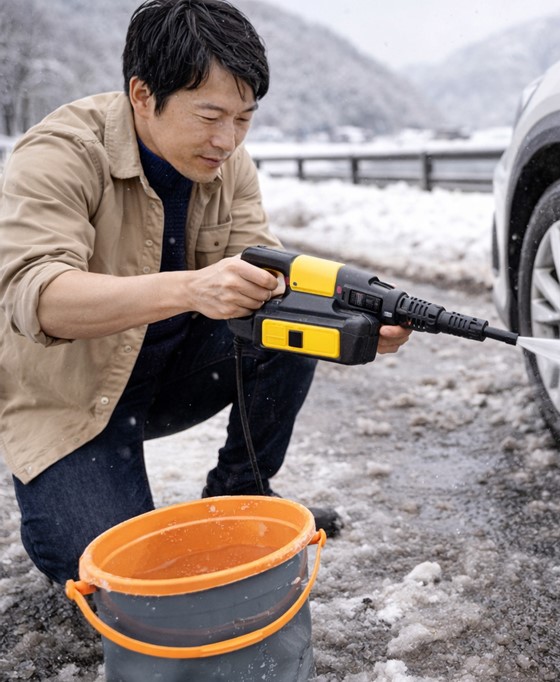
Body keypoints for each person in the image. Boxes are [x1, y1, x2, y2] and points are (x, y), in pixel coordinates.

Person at [0, 0, 411, 584]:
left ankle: (243, 497)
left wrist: (358, 325)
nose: (227, 139)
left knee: (292, 325)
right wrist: (191, 287)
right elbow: (38, 298)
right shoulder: (61, 152)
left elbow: (272, 281)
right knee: (126, 577)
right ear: (143, 95)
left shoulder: (230, 164)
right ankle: (72, 502)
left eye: (245, 118)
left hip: (174, 376)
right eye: (211, 115)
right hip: (75, 398)